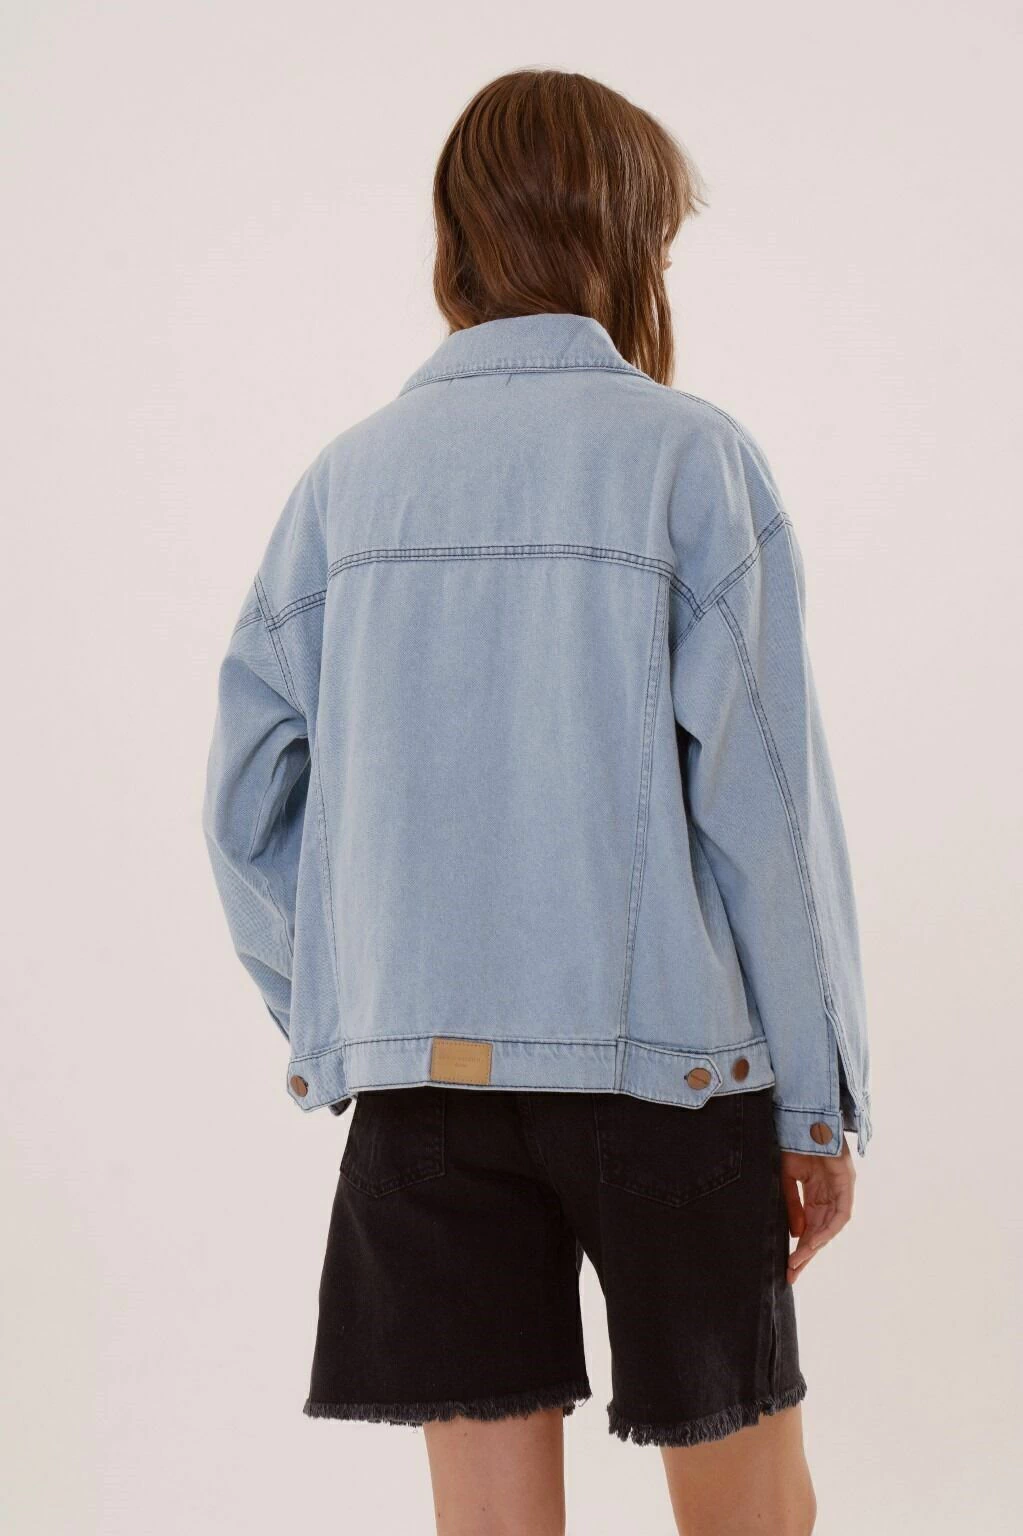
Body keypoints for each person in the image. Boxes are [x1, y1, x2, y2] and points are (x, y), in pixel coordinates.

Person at [202, 68, 871, 1536]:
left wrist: (355, 1004)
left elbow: (246, 804)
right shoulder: (689, 459)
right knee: (754, 1519)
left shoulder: (346, 484)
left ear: (453, 237)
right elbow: (765, 816)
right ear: (630, 241)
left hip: (424, 1097)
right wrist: (817, 1112)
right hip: (673, 1087)